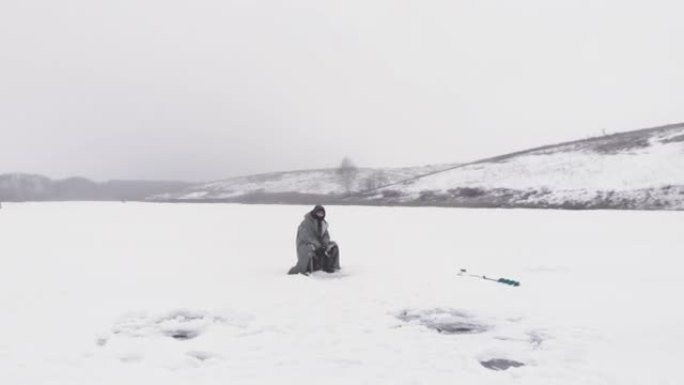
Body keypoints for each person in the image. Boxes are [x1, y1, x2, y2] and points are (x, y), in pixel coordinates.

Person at [288, 204, 340, 275]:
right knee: (310, 248)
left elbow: (326, 236)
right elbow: (307, 237)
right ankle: (306, 269)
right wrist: (318, 245)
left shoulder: (323, 223)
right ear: (315, 212)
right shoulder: (306, 223)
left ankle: (330, 267)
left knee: (333, 246)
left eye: (322, 213)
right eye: (318, 213)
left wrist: (324, 245)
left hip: (319, 245)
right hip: (305, 245)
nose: (320, 215)